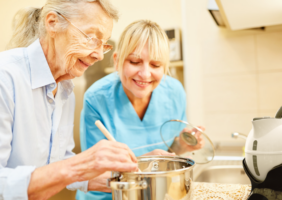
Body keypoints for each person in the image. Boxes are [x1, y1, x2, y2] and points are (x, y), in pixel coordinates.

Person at [0, 1, 140, 200]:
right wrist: (80, 165)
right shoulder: (5, 78)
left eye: (104, 44)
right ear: (53, 23)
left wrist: (109, 180)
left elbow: (57, 161)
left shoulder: (65, 88)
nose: (100, 55)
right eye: (92, 38)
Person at [77, 19, 205, 200]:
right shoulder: (97, 98)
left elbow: (169, 152)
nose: (145, 74)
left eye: (155, 65)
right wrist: (144, 164)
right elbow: (92, 174)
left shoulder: (174, 92)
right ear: (117, 61)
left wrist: (181, 146)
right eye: (135, 61)